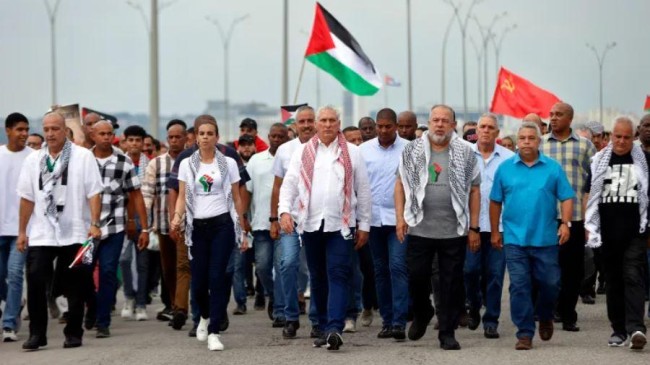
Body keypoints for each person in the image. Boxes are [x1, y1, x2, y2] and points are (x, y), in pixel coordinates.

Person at [279, 105, 371, 351]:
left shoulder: (352, 152)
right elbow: (289, 184)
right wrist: (284, 211)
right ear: (317, 124)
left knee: (339, 273)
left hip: (340, 225)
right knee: (318, 276)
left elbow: (362, 191)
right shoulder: (303, 152)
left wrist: (364, 225)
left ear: (339, 123)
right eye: (324, 120)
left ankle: (334, 328)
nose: (328, 124)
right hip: (310, 223)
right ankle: (320, 326)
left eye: (332, 120)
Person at [395, 104, 481, 350]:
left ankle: (447, 333)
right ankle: (423, 312)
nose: (440, 124)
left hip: (453, 230)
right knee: (416, 276)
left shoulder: (465, 152)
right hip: (419, 227)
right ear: (429, 122)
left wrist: (474, 227)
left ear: (453, 125)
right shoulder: (412, 150)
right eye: (435, 120)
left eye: (445, 120)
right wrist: (400, 218)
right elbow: (400, 184)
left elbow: (475, 189)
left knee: (450, 283)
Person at [17, 112, 103, 350]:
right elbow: (26, 198)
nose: (50, 133)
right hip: (42, 230)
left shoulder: (83, 156)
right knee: (34, 279)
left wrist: (94, 223)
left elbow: (94, 192)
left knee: (76, 283)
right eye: (46, 129)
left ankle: (73, 333)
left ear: (65, 130)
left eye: (55, 128)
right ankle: (37, 334)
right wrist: (22, 231)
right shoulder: (34, 160)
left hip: (75, 229)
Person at [489, 121, 574, 350]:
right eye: (523, 138)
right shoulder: (505, 168)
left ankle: (545, 315)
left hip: (545, 239)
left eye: (531, 138)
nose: (526, 141)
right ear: (517, 141)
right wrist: (495, 231)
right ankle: (524, 333)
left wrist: (565, 224)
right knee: (519, 286)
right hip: (515, 240)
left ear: (539, 141)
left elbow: (566, 197)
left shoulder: (552, 168)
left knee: (550, 283)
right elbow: (495, 201)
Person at [166, 115, 251, 337]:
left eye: (210, 134)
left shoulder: (228, 162)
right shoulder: (187, 163)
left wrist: (240, 227)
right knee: (200, 280)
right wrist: (176, 217)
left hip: (222, 225)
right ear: (195, 137)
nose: (205, 138)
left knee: (218, 276)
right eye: (201, 133)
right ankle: (203, 316)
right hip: (196, 228)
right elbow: (182, 195)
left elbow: (236, 196)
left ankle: (214, 330)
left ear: (217, 137)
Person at [584, 117, 648, 350]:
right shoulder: (599, 161)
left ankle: (636, 328)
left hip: (635, 232)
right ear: (611, 136)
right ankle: (618, 330)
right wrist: (589, 227)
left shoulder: (644, 161)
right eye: (618, 136)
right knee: (613, 281)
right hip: (606, 233)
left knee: (633, 276)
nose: (621, 141)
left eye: (627, 137)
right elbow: (589, 194)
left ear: (634, 138)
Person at [90, 121, 150, 338]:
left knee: (107, 272)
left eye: (109, 134)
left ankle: (103, 321)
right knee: (84, 273)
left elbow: (135, 194)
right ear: (93, 135)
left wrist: (142, 226)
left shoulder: (123, 162)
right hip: (88, 230)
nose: (106, 137)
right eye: (101, 134)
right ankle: (91, 308)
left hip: (114, 227)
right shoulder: (83, 160)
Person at [541, 102, 596, 332]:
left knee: (572, 269)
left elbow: (593, 181)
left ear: (570, 119)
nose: (553, 118)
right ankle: (551, 309)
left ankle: (569, 313)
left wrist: (590, 218)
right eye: (551, 114)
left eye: (559, 115)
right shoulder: (540, 144)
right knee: (547, 268)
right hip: (544, 216)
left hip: (573, 216)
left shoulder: (585, 146)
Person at [270, 105, 319, 339]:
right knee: (287, 265)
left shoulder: (327, 149)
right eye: (303, 121)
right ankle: (291, 316)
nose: (307, 125)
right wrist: (276, 217)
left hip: (318, 220)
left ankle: (317, 318)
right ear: (295, 125)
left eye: (311, 120)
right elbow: (278, 187)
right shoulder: (285, 151)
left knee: (316, 268)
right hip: (291, 220)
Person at [360, 108, 409, 340]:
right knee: (380, 270)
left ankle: (400, 321)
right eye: (379, 126)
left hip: (399, 220)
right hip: (373, 220)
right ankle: (387, 321)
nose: (382, 130)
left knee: (397, 267)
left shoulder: (409, 149)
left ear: (396, 126)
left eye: (387, 126)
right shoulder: (364, 150)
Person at [464, 113, 514, 339]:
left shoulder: (509, 159)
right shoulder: (464, 155)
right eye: (481, 126)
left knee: (495, 275)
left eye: (490, 127)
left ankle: (491, 320)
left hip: (499, 227)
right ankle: (473, 307)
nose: (485, 130)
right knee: (470, 270)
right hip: (470, 226)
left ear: (497, 132)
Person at [142, 119, 188, 330]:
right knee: (168, 268)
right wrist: (146, 223)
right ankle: (173, 304)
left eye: (178, 136)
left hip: (189, 225)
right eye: (171, 137)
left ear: (186, 138)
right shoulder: (156, 163)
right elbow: (147, 193)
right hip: (163, 224)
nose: (174, 140)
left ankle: (182, 307)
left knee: (184, 267)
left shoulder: (192, 160)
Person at [245, 123, 290, 332]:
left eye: (282, 136)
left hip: (286, 224)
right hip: (261, 223)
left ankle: (280, 311)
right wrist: (243, 216)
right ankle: (273, 294)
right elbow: (247, 190)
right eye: (274, 136)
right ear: (268, 137)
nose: (278, 139)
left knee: (282, 267)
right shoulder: (256, 160)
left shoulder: (293, 157)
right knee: (262, 266)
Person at [0, 113, 32, 342]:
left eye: (26, 129)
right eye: (19, 129)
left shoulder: (34, 158)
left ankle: (9, 323)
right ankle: (14, 301)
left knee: (14, 273)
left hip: (22, 230)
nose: (24, 134)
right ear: (8, 130)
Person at [119, 125, 151, 321]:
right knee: (123, 260)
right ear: (125, 142)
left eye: (137, 140)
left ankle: (140, 304)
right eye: (130, 140)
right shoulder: (119, 162)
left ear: (142, 142)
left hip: (144, 217)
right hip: (121, 217)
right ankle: (129, 296)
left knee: (142, 264)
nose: (134, 144)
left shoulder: (150, 165)